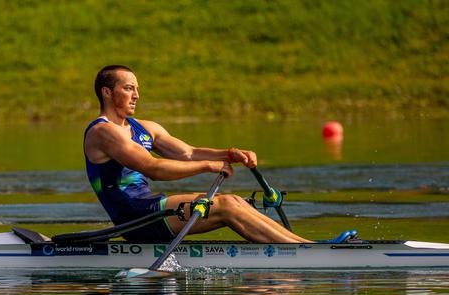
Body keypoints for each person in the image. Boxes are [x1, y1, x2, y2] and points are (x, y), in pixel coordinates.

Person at [83, 65, 312, 244]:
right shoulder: (103, 132)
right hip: (134, 219)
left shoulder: (145, 127)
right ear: (107, 92)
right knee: (227, 207)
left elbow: (188, 152)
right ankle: (308, 252)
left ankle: (306, 245)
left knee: (235, 201)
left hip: (150, 209)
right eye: (128, 88)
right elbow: (153, 168)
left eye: (137, 89)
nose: (136, 95)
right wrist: (209, 166)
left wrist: (229, 154)